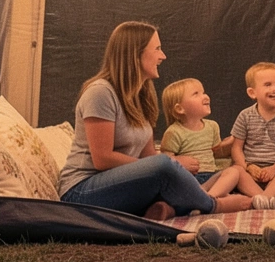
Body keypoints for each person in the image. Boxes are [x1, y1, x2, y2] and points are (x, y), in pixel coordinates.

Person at [58, 22, 254, 220]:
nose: (163, 56)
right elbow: (103, 159)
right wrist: (170, 165)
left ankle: (168, 209)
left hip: (121, 185)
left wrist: (173, 169)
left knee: (207, 174)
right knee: (163, 166)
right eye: (158, 49)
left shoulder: (142, 96)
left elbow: (147, 155)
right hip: (82, 191)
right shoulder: (100, 92)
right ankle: (213, 205)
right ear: (136, 53)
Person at [159, 77, 245, 201]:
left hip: (211, 176)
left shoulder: (212, 126)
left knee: (234, 172)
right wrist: (178, 160)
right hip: (189, 178)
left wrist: (231, 142)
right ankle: (210, 198)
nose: (205, 96)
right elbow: (165, 159)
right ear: (180, 109)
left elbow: (216, 152)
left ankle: (208, 198)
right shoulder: (174, 132)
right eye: (196, 94)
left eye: (203, 92)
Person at [230, 62, 275, 209]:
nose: (274, 89)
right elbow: (236, 148)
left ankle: (263, 199)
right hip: (251, 172)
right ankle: (268, 201)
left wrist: (274, 169)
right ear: (252, 92)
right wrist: (248, 167)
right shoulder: (245, 116)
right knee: (235, 171)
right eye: (267, 85)